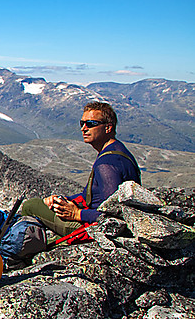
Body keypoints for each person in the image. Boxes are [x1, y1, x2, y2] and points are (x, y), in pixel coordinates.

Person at [21, 101, 140, 237]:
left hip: (91, 228)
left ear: (108, 128)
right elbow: (93, 197)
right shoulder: (118, 150)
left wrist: (77, 214)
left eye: (90, 124)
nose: (83, 128)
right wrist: (62, 201)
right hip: (91, 217)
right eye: (82, 123)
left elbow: (114, 215)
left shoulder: (106, 164)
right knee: (44, 205)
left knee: (31, 205)